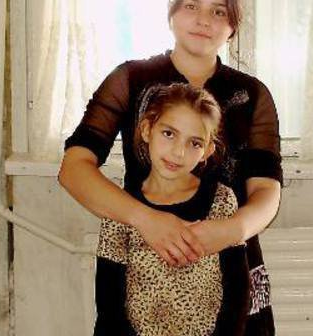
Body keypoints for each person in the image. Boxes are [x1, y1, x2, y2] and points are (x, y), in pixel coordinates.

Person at [58, 0, 282, 334]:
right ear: (171, 12)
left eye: (219, 11)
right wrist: (145, 219)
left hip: (230, 275)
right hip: (144, 277)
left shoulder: (252, 94)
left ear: (233, 26)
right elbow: (74, 169)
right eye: (191, 5)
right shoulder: (131, 78)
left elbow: (266, 190)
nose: (204, 20)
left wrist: (230, 230)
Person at [94, 83, 251, 335]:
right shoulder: (122, 208)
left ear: (207, 151)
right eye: (169, 134)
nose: (178, 152)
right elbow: (108, 304)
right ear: (147, 130)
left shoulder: (221, 201)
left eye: (194, 143)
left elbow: (238, 291)